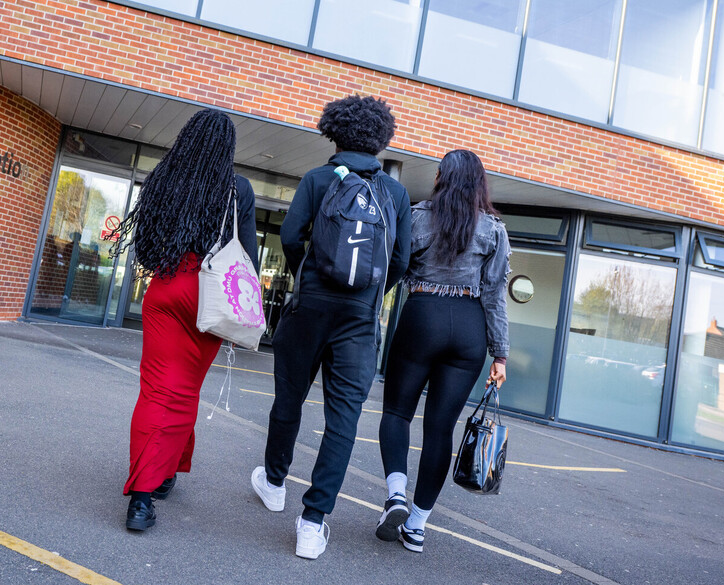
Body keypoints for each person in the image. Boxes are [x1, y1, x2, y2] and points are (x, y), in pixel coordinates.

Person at [251, 95, 412, 560]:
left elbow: (288, 235)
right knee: (343, 422)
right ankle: (312, 522)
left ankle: (275, 482)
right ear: (382, 139)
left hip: (310, 308)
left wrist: (310, 272)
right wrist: (368, 293)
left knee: (289, 399)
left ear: (333, 133)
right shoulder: (396, 194)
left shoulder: (319, 178)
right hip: (359, 319)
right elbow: (399, 261)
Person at [113, 108, 258, 533]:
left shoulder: (162, 178)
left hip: (165, 288)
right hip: (208, 298)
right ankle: (150, 486)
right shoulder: (238, 190)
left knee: (158, 391)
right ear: (227, 147)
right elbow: (244, 254)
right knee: (184, 391)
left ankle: (155, 481)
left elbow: (147, 241)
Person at [375, 149, 510, 553]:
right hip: (468, 328)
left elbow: (393, 269)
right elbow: (496, 296)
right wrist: (500, 354)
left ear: (440, 178)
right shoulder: (494, 230)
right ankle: (416, 526)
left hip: (422, 316)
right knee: (440, 429)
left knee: (397, 412)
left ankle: (395, 493)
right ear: (479, 183)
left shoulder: (417, 217)